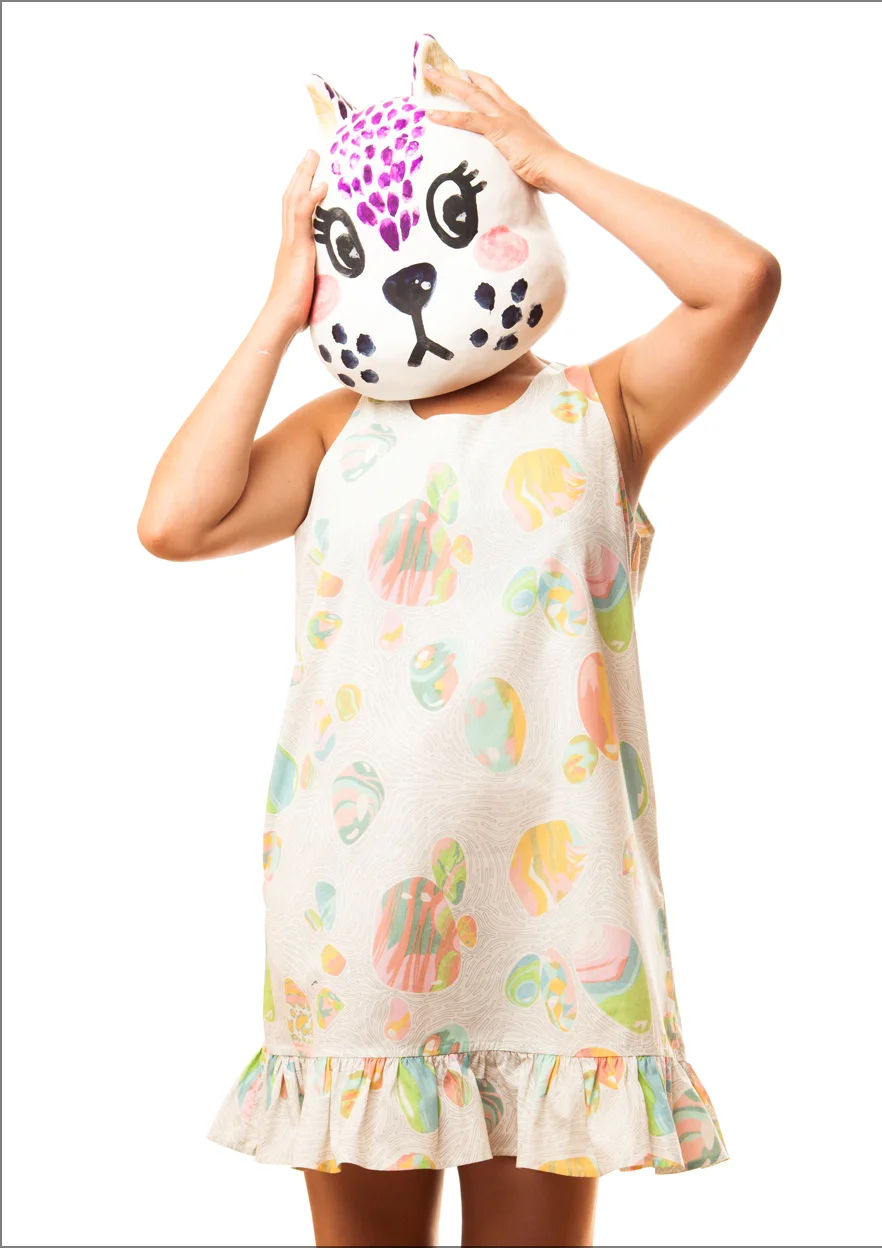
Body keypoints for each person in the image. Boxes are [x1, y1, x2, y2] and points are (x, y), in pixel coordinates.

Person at [139, 59, 779, 1248]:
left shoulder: (601, 410)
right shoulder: (336, 432)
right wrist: (281, 307)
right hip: (358, 907)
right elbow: (174, 522)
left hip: (558, 920)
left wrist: (550, 160)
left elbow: (740, 282)